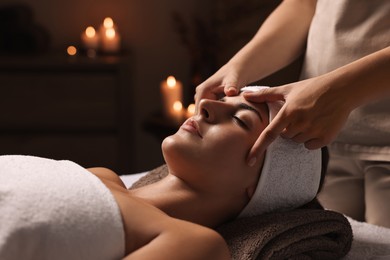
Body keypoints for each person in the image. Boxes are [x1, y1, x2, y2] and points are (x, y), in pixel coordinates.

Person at [0, 93, 323, 259]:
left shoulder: (194, 245)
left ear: (259, 187)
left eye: (240, 120)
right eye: (223, 100)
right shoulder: (101, 176)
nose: (206, 105)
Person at [195, 0, 390, 227]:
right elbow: (304, 4)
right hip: (314, 142)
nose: (205, 111)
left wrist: (342, 92)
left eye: (241, 119)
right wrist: (239, 66)